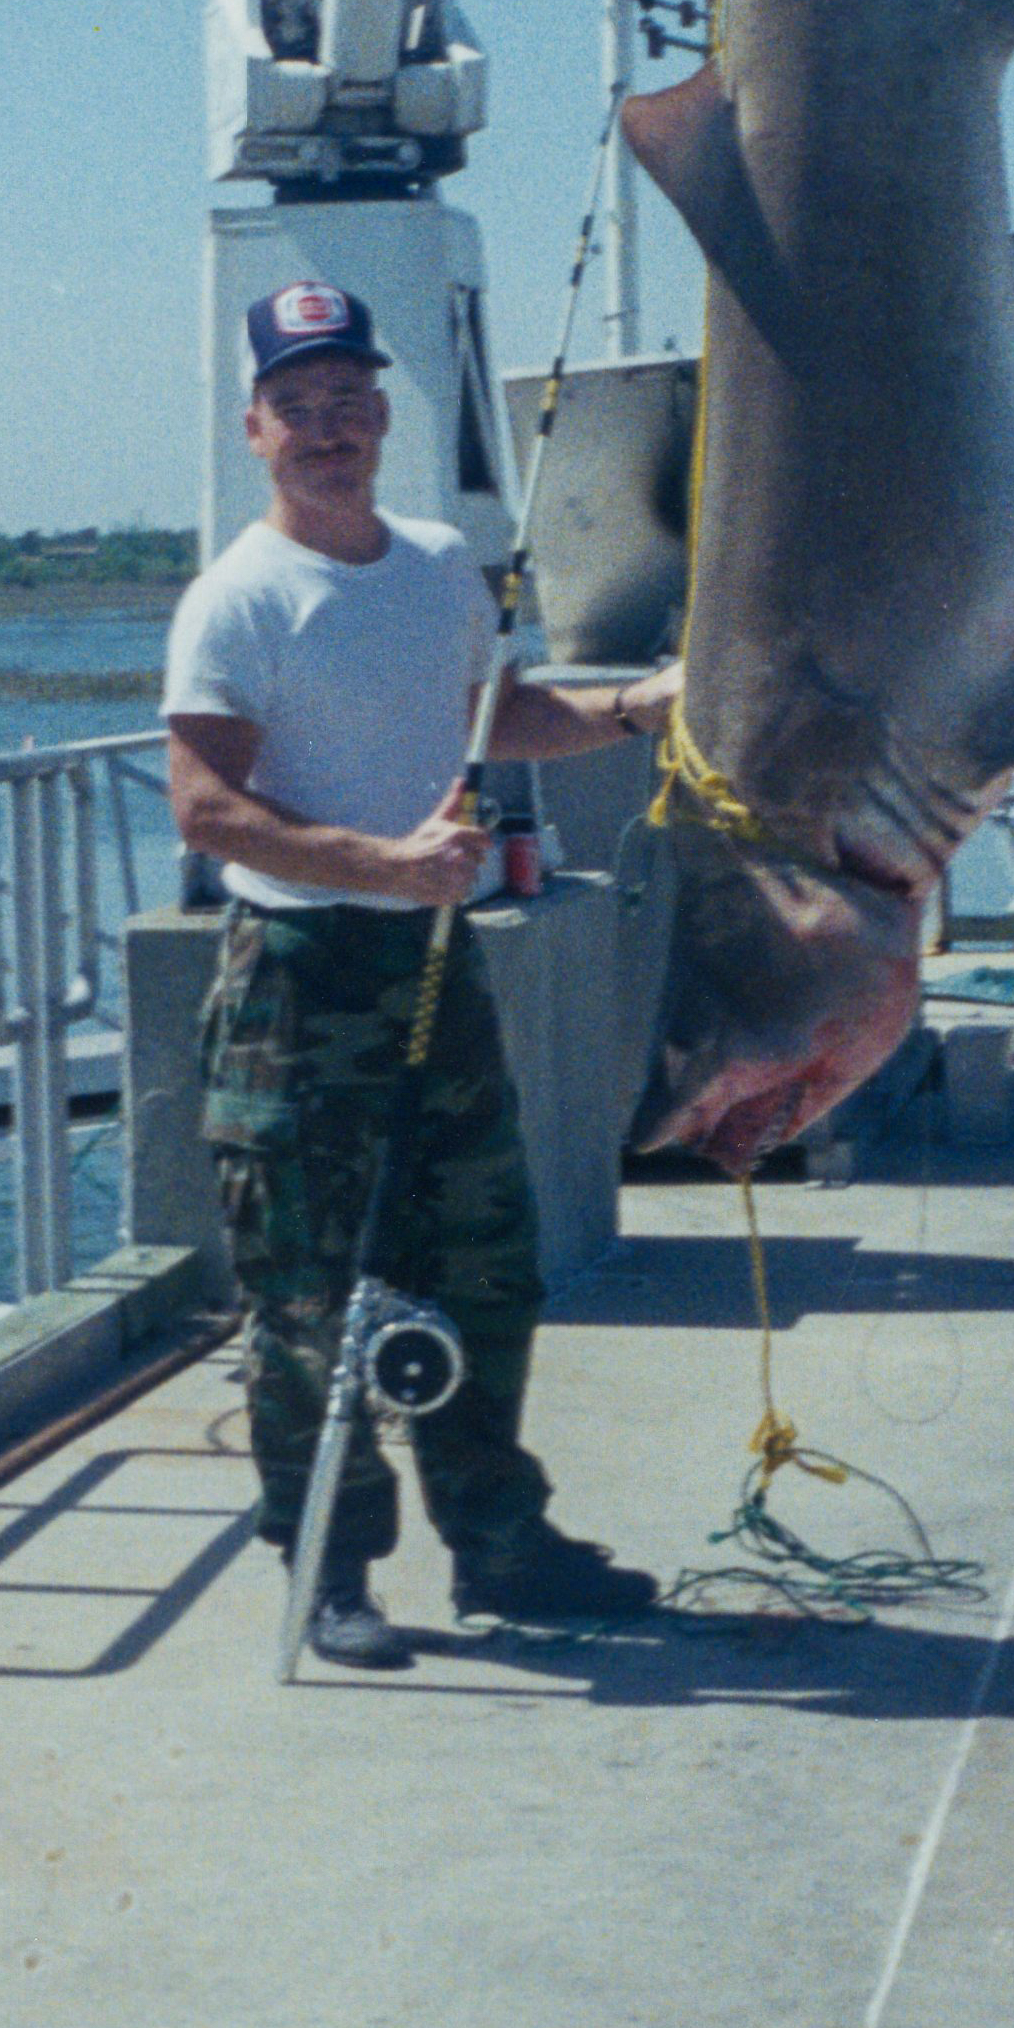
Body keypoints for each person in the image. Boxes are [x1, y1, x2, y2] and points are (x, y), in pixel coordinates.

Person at [163, 281, 679, 1669]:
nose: (328, 431)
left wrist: (639, 705)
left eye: (349, 404)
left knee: (483, 1266)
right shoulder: (236, 598)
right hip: (297, 978)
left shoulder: (444, 564)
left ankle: (502, 1546)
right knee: (307, 1296)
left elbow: (489, 716)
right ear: (255, 429)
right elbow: (205, 809)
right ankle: (328, 1568)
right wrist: (379, 863)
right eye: (299, 408)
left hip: (436, 970)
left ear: (382, 416)